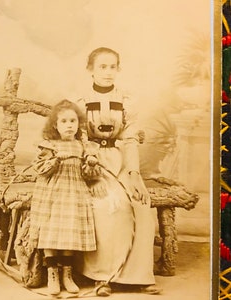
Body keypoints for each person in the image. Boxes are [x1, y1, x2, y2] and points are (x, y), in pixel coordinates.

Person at [75, 47, 161, 296]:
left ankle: (138, 276)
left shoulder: (126, 99)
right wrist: (91, 170)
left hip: (121, 160)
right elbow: (79, 138)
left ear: (119, 69)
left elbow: (131, 138)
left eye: (113, 66)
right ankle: (102, 277)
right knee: (110, 206)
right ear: (90, 69)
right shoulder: (80, 99)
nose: (108, 72)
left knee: (142, 203)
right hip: (91, 162)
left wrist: (134, 174)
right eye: (102, 66)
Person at [29, 99, 101, 295]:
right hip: (52, 193)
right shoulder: (49, 146)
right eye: (64, 121)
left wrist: (91, 164)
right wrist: (54, 160)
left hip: (75, 193)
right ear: (55, 125)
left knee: (70, 232)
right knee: (51, 233)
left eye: (73, 121)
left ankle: (66, 274)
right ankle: (52, 273)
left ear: (78, 124)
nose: (69, 125)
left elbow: (90, 176)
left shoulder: (82, 147)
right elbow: (40, 170)